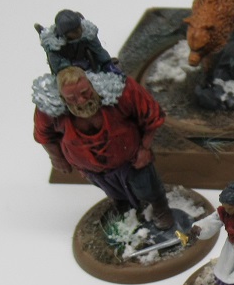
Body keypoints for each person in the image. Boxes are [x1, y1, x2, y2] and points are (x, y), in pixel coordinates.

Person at [32, 66, 174, 229]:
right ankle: (124, 206)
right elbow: (44, 136)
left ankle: (160, 207)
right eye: (72, 98)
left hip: (132, 160)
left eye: (85, 92)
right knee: (114, 191)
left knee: (146, 187)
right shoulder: (50, 112)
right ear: (62, 99)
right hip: (94, 169)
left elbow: (152, 116)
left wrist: (145, 148)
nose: (81, 101)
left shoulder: (121, 94)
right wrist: (57, 158)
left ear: (93, 85)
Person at [35, 10, 117, 75]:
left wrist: (107, 63)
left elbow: (98, 50)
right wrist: (73, 67)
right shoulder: (55, 46)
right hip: (70, 73)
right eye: (74, 31)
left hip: (92, 67)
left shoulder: (87, 34)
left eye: (79, 27)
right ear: (65, 34)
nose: (80, 31)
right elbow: (58, 66)